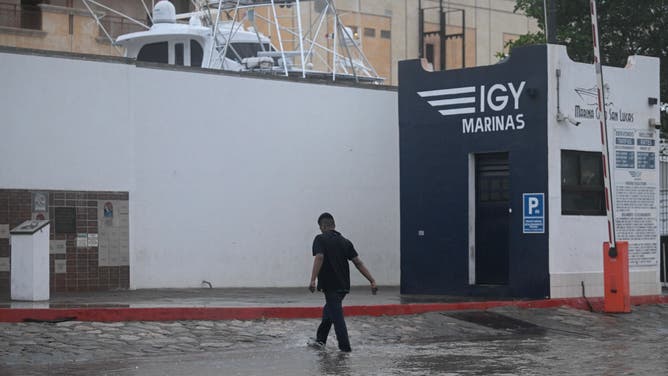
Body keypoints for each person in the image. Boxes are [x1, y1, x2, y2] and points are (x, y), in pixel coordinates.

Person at [308, 212, 377, 352]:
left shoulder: (320, 239)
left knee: (337, 317)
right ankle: (320, 340)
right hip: (343, 286)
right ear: (334, 225)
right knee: (329, 312)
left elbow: (319, 257)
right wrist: (372, 280)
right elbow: (358, 262)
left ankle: (345, 349)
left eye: (320, 227)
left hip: (330, 285)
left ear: (322, 226)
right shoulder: (345, 241)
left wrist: (312, 279)